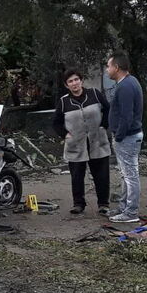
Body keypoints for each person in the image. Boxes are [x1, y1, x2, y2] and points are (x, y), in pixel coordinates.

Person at [52, 69, 111, 215]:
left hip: (97, 142)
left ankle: (103, 204)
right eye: (70, 81)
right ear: (67, 85)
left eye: (76, 79)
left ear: (81, 80)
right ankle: (78, 204)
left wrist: (104, 125)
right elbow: (56, 122)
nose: (74, 83)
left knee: (102, 175)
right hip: (76, 145)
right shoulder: (64, 101)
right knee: (77, 176)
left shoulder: (95, 94)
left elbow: (108, 109)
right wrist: (65, 135)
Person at [106, 53, 144, 223]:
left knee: (130, 176)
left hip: (127, 138)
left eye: (108, 66)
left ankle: (131, 212)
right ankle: (124, 208)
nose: (107, 70)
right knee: (126, 175)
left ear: (116, 67)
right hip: (129, 136)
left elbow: (126, 116)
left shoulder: (126, 86)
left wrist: (119, 136)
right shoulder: (130, 82)